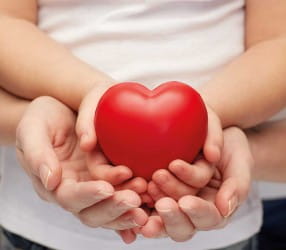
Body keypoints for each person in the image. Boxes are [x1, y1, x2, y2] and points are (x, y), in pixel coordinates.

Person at [1, 0, 286, 249]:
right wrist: (91, 95)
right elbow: (7, 23)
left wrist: (205, 115)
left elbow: (277, 43)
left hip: (217, 228)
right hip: (42, 229)